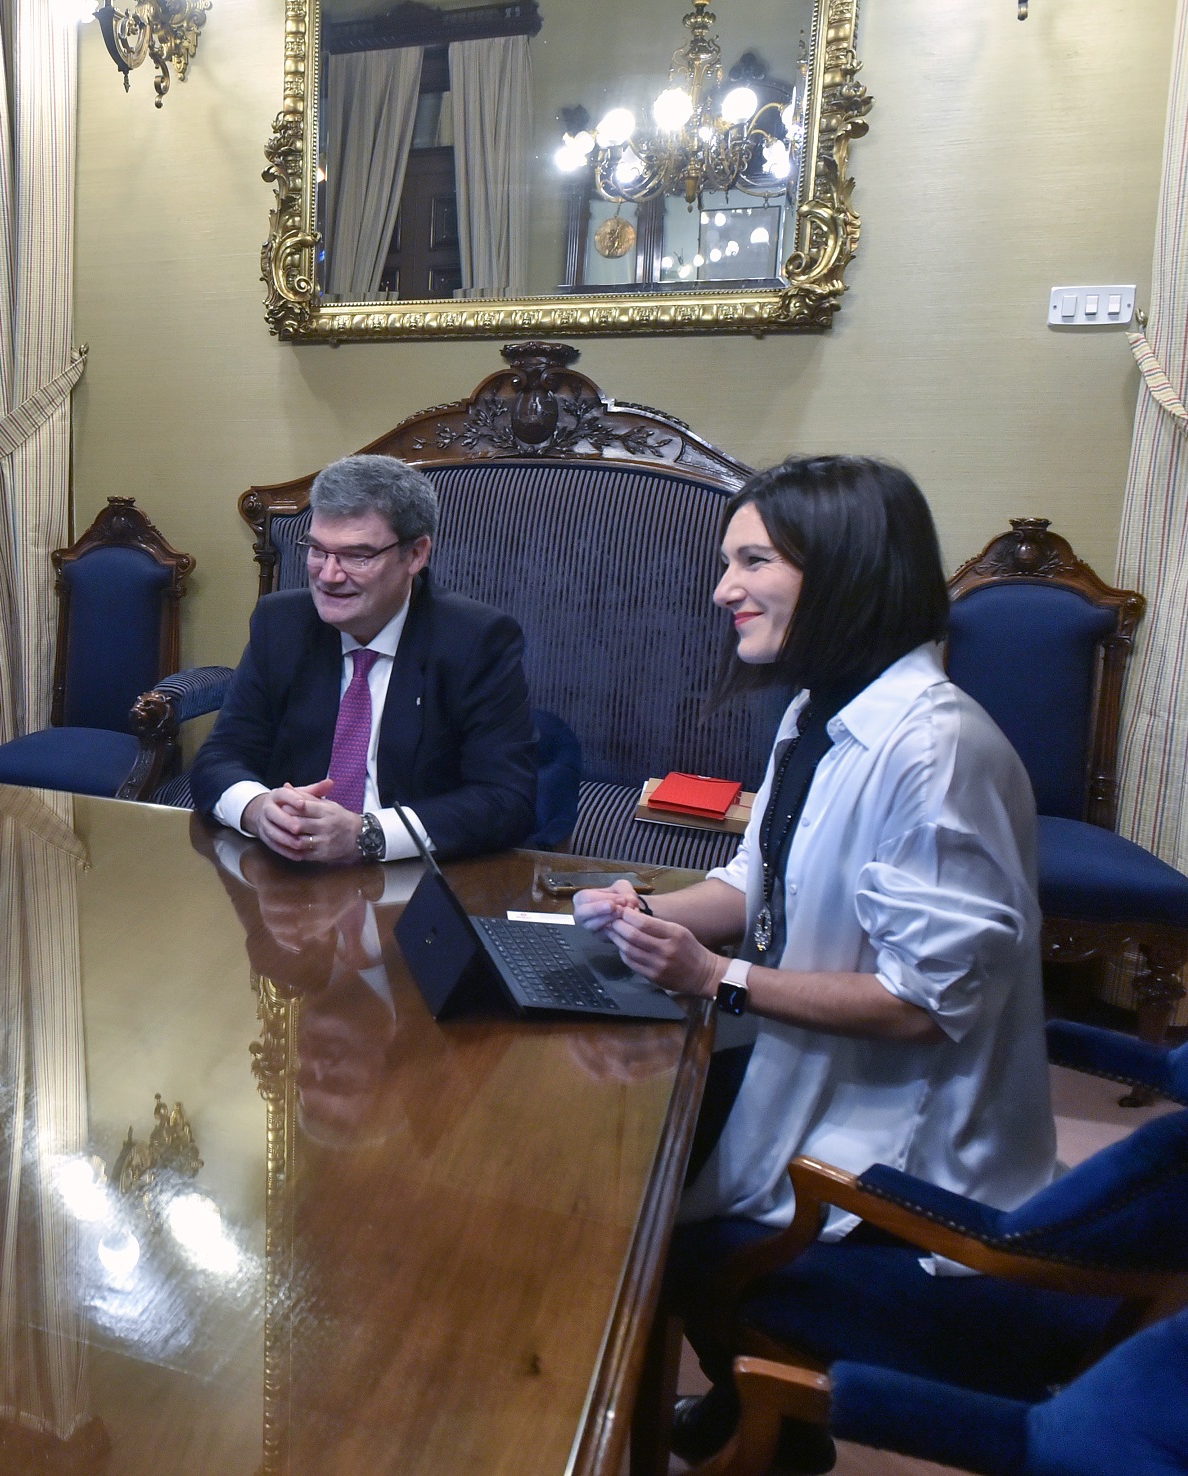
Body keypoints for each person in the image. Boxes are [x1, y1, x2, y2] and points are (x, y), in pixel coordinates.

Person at [570, 456, 1054, 1468]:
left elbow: (920, 1004)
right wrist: (645, 909)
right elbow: (755, 884)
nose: (721, 589)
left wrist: (714, 978)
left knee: (646, 1211)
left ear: (843, 571)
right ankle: (753, 1405)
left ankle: (771, 1423)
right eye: (725, 561)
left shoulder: (935, 750)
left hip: (908, 1152)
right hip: (811, 1063)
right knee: (623, 1122)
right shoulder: (814, 713)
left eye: (752, 560)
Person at [190, 454, 538, 864]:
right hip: (287, 875)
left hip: (415, 886)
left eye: (358, 556)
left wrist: (367, 833)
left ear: (415, 555)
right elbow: (220, 757)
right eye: (318, 550)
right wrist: (258, 809)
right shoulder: (279, 624)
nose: (329, 576)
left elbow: (506, 800)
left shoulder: (475, 640)